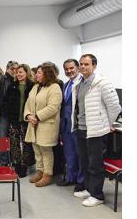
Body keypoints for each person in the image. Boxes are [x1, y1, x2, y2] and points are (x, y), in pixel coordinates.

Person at [73, 54, 120, 207]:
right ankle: (88, 189)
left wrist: (107, 123)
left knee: (95, 164)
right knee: (84, 162)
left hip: (96, 131)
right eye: (81, 64)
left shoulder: (102, 83)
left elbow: (114, 106)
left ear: (94, 66)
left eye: (86, 64)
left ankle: (97, 195)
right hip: (80, 128)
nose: (83, 67)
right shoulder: (79, 84)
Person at [24, 64, 63, 187]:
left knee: (46, 150)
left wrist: (37, 117)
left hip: (46, 124)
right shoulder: (36, 87)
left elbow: (53, 107)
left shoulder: (54, 87)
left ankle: (47, 175)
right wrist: (28, 115)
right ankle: (40, 171)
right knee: (36, 149)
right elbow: (28, 103)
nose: (36, 75)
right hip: (33, 124)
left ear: (47, 74)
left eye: (39, 73)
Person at [57, 59, 84, 188]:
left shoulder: (83, 83)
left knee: (80, 154)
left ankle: (80, 181)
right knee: (69, 153)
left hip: (78, 125)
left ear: (77, 67)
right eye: (66, 69)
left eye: (71, 68)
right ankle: (70, 177)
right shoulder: (66, 84)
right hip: (66, 124)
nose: (69, 71)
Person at [6, 64, 35, 177]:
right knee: (14, 143)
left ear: (26, 73)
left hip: (27, 120)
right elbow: (6, 102)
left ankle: (25, 165)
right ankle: (17, 163)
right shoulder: (12, 86)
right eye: (17, 72)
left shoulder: (32, 86)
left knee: (26, 144)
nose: (18, 74)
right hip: (14, 120)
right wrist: (9, 115)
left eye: (21, 72)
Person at [0, 60, 19, 165]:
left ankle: (14, 160)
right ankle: (4, 161)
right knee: (3, 137)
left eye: (16, 69)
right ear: (8, 69)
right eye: (12, 69)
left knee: (14, 137)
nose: (15, 71)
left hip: (15, 114)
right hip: (3, 113)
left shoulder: (17, 80)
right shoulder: (1, 79)